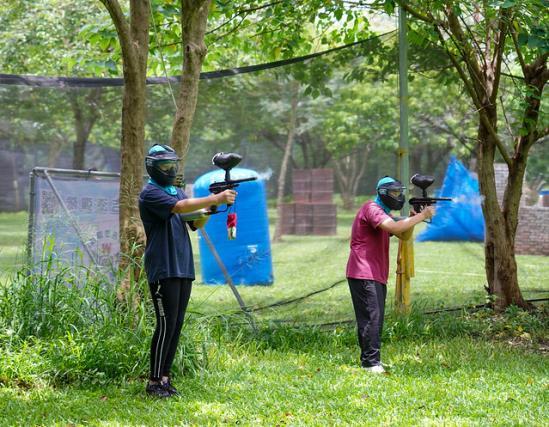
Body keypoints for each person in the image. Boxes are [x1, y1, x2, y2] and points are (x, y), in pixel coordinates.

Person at [139, 144, 236, 398]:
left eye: (173, 165)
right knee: (164, 324)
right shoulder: (150, 193)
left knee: (176, 324)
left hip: (182, 265)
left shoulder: (176, 191)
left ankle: (166, 378)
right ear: (152, 167)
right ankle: (153, 382)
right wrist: (215, 198)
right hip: (162, 266)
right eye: (164, 166)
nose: (170, 170)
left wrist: (212, 207)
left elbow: (194, 220)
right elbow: (180, 208)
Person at [346, 176, 435, 373]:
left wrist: (412, 219)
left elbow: (403, 234)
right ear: (382, 193)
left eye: (400, 192)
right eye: (394, 193)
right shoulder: (371, 209)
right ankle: (370, 363)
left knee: (374, 318)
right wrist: (422, 215)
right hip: (363, 272)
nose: (398, 196)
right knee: (371, 317)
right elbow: (395, 227)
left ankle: (371, 360)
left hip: (374, 273)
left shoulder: (383, 214)